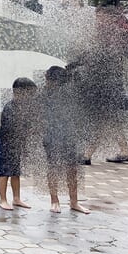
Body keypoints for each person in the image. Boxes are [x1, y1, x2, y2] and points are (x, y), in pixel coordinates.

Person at [42, 66, 89, 214]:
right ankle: (54, 200)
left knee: (72, 169)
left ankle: (74, 202)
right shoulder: (45, 96)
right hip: (51, 136)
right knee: (53, 168)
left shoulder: (69, 95)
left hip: (69, 136)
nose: (48, 82)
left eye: (50, 80)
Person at [0, 78, 37, 210]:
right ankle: (3, 199)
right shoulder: (10, 107)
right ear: (18, 93)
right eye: (28, 93)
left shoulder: (25, 108)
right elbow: (8, 129)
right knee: (4, 172)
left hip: (16, 145)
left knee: (15, 172)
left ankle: (17, 198)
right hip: (5, 144)